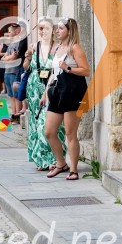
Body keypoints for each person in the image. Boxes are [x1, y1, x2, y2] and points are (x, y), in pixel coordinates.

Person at [41, 18, 90, 181]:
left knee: (70, 133)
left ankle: (74, 169)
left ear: (69, 31)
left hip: (72, 92)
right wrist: (45, 92)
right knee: (49, 131)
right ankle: (61, 163)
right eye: (57, 28)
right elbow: (54, 73)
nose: (57, 31)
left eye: (60, 28)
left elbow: (86, 71)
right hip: (57, 91)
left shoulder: (75, 48)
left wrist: (68, 68)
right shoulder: (58, 48)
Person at [24, 19, 66, 171]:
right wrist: (28, 57)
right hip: (33, 88)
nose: (42, 31)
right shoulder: (34, 46)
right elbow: (26, 67)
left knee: (47, 125)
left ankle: (55, 158)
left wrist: (46, 91)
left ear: (52, 30)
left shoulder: (57, 48)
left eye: (45, 28)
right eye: (40, 28)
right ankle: (41, 159)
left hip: (50, 88)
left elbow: (55, 71)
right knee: (36, 124)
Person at [2, 23, 27, 120]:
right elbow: (5, 56)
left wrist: (7, 58)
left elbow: (14, 56)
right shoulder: (11, 43)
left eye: (10, 31)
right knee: (11, 95)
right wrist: (7, 58)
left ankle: (17, 115)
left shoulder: (18, 42)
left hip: (14, 71)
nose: (8, 33)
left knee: (16, 95)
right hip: (7, 71)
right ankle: (13, 114)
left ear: (16, 31)